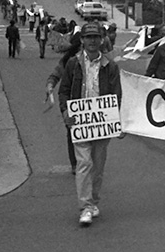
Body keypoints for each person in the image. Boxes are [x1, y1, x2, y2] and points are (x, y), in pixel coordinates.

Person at [58, 22, 124, 227]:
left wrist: (117, 121)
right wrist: (66, 111)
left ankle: (94, 200)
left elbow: (116, 95)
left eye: (96, 37)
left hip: (102, 125)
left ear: (102, 40)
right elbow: (64, 90)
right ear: (82, 40)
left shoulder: (110, 66)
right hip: (81, 123)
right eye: (88, 37)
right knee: (84, 163)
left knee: (98, 166)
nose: (93, 41)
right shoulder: (73, 63)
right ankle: (85, 207)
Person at [46, 32, 82, 174]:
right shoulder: (69, 62)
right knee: (72, 132)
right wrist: (50, 85)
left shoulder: (98, 60)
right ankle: (75, 163)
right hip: (72, 103)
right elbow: (55, 75)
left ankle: (86, 161)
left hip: (90, 103)